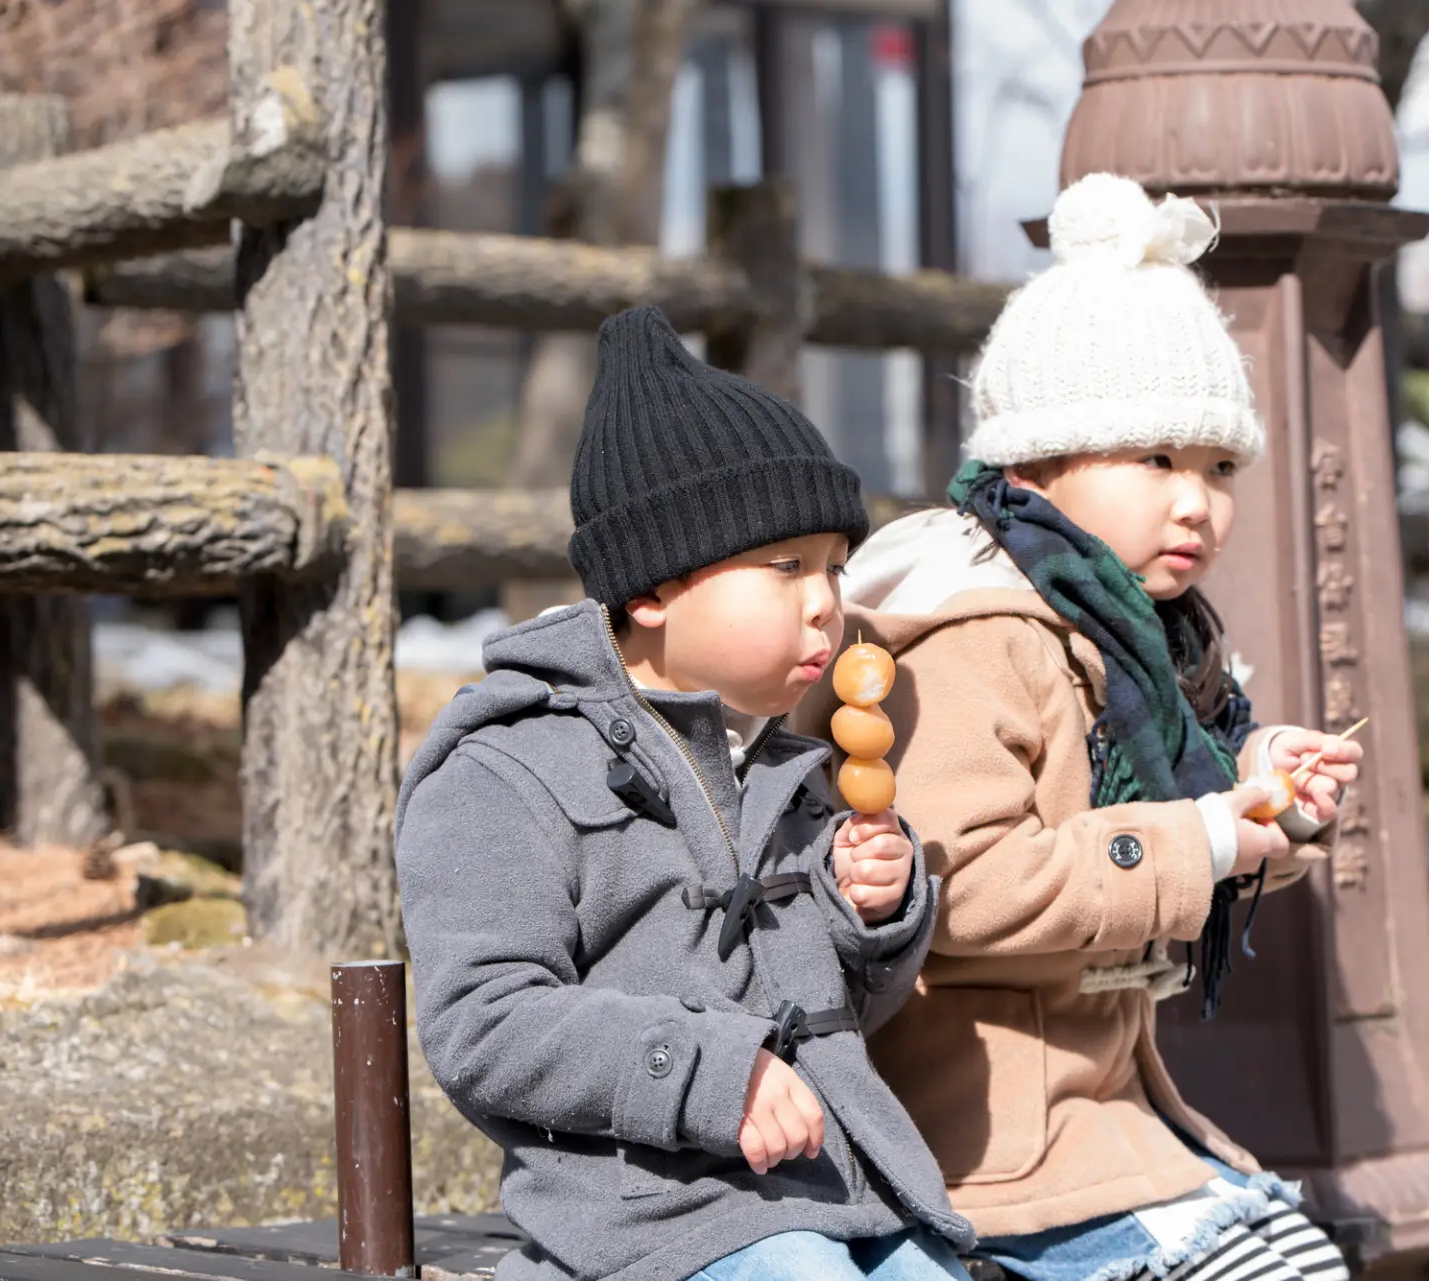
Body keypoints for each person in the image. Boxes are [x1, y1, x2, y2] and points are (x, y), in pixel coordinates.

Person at [798, 174, 1362, 1281]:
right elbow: (962, 883)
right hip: (985, 1135)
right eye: (1154, 459)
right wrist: (1202, 838)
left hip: (1101, 1109)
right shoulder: (971, 629)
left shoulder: (1141, 637)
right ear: (1036, 468)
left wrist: (1262, 790)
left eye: (1217, 466)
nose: (1195, 501)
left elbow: (1171, 814)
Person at [395, 306, 977, 1281]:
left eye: (835, 566)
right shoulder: (508, 766)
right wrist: (705, 1070)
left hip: (846, 1187)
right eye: (785, 566)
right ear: (656, 589)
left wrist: (870, 913)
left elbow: (839, 1011)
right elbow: (484, 1023)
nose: (826, 601)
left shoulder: (790, 764)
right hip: (652, 1217)